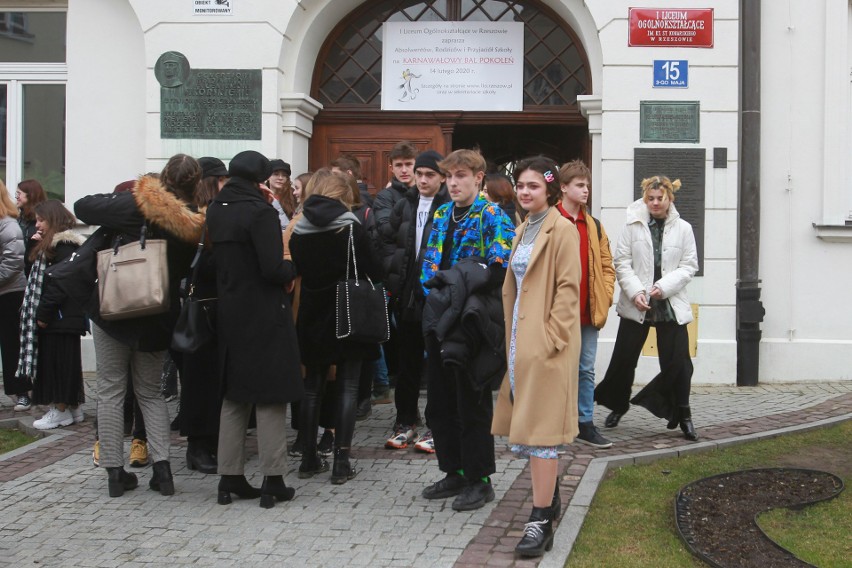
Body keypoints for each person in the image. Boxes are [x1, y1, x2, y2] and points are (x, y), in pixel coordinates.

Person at [75, 154, 205, 498]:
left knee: (111, 390)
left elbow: (82, 206)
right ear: (197, 184)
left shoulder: (135, 205)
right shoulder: (193, 224)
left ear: (162, 178)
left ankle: (115, 473)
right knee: (150, 393)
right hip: (157, 316)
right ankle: (163, 471)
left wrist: (134, 196)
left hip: (113, 309)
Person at [491, 157, 580, 556]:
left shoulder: (561, 229)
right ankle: (552, 495)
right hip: (519, 340)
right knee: (529, 427)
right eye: (521, 186)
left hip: (545, 345)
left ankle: (540, 518)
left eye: (534, 187)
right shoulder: (523, 228)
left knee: (541, 434)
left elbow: (567, 289)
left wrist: (552, 339)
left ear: (551, 191)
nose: (525, 192)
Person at [206, 150, 303, 508]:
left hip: (230, 310)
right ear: (260, 179)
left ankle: (228, 477)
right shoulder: (260, 212)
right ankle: (272, 479)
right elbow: (271, 268)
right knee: (270, 394)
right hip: (263, 311)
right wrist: (293, 270)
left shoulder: (217, 209)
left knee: (235, 394)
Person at [419, 149, 514, 511]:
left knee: (471, 403)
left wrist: (462, 281)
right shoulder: (442, 213)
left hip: (472, 323)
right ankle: (454, 470)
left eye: (461, 176)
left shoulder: (492, 214)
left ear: (478, 178)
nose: (454, 183)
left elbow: (499, 267)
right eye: (450, 176)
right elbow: (428, 262)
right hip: (439, 318)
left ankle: (480, 478)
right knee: (440, 405)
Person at [290, 171, 383, 485]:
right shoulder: (350, 227)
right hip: (349, 310)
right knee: (347, 386)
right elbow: (373, 268)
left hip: (313, 312)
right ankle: (341, 461)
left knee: (312, 387)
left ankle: (308, 457)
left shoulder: (299, 229)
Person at [595, 175, 699, 441]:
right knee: (624, 359)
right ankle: (618, 405)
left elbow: (689, 266)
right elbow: (622, 262)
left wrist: (662, 288)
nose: (654, 203)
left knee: (678, 363)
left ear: (669, 199)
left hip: (670, 305)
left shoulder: (684, 229)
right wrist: (636, 292)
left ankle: (683, 414)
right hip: (637, 303)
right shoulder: (632, 226)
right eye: (650, 198)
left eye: (659, 198)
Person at [382, 149, 449, 452]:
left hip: (436, 295)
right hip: (407, 294)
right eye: (419, 174)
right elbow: (386, 240)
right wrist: (393, 276)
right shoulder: (404, 204)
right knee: (407, 361)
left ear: (441, 177)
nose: (422, 179)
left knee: (436, 363)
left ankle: (438, 424)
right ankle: (405, 420)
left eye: (429, 174)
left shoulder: (449, 205)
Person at [556, 160, 615, 449]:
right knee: (555, 367)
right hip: (556, 312)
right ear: (564, 187)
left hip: (588, 311)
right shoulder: (548, 221)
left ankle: (585, 422)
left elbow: (607, 264)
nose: (586, 190)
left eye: (587, 185)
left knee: (586, 369)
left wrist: (605, 294)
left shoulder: (594, 225)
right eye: (580, 185)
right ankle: (556, 422)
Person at [178, 157, 228, 475]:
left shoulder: (216, 214)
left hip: (217, 309)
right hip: (201, 309)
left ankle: (211, 442)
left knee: (214, 381)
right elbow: (198, 265)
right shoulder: (197, 219)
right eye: (222, 180)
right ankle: (198, 447)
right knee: (199, 382)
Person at [18, 200, 87, 430]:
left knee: (58, 364)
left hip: (61, 316)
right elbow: (31, 274)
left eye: (41, 220)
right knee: (62, 362)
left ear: (53, 220)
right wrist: (32, 246)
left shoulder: (64, 246)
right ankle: (72, 407)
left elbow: (58, 283)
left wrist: (44, 313)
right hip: (60, 316)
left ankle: (60, 410)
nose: (37, 225)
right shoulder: (49, 245)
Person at [0, 182, 28, 410]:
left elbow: (13, 263)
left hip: (9, 293)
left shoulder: (9, 226)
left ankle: (20, 392)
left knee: (11, 345)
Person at [374, 141, 417, 240]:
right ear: (391, 168)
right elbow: (384, 229)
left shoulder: (426, 193)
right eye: (398, 165)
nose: (404, 170)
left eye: (408, 164)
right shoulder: (384, 196)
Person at [15, 179, 47, 277]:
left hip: (33, 272)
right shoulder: (18, 219)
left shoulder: (44, 222)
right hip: (18, 270)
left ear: (30, 195)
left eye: (19, 193)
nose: (16, 197)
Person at [268, 159, 296, 230]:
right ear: (268, 177)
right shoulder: (261, 194)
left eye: (284, 175)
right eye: (276, 174)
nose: (280, 178)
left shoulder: (294, 194)